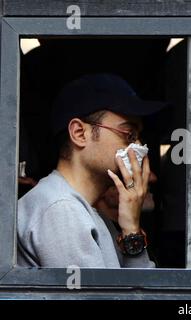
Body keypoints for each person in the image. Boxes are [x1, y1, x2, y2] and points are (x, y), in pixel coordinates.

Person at [17, 73, 168, 268]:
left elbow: (135, 293)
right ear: (80, 133)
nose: (137, 145)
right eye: (129, 133)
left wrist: (131, 230)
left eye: (138, 136)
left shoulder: (86, 210)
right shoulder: (61, 209)